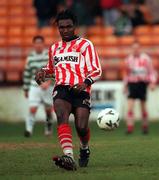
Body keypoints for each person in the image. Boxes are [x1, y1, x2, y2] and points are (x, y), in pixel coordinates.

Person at [35, 10, 102, 170]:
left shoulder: (85, 45)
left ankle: (84, 148)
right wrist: (43, 72)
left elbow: (96, 69)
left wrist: (85, 83)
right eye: (61, 27)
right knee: (61, 115)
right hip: (61, 88)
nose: (65, 30)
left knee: (81, 126)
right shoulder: (54, 48)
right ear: (58, 28)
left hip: (81, 90)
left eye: (68, 27)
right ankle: (68, 156)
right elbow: (52, 68)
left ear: (74, 26)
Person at [23, 35, 54, 137]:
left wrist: (48, 82)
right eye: (36, 43)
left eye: (40, 43)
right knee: (32, 108)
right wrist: (26, 89)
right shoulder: (30, 58)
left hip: (47, 86)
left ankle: (48, 127)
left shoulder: (48, 56)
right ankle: (28, 129)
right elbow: (27, 73)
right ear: (34, 44)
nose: (38, 45)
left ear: (43, 44)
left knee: (48, 110)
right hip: (34, 86)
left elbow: (53, 71)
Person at [123, 41, 157, 134]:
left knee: (143, 107)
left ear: (139, 48)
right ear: (132, 49)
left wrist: (153, 82)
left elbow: (151, 72)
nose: (135, 50)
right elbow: (126, 74)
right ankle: (130, 127)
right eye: (134, 48)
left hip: (142, 84)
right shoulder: (128, 60)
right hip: (132, 84)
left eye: (137, 48)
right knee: (130, 106)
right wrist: (125, 85)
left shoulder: (146, 59)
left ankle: (145, 126)